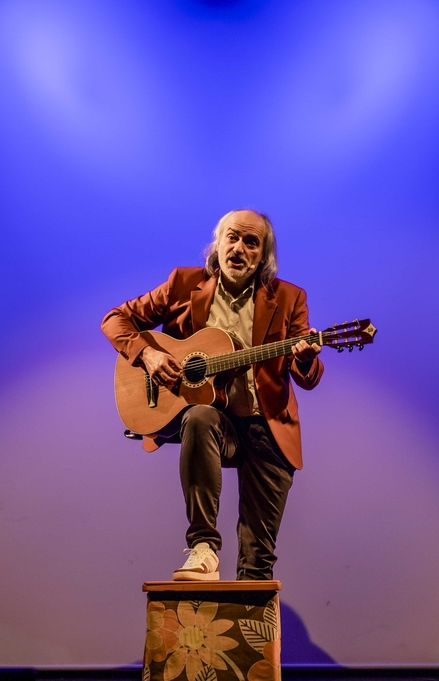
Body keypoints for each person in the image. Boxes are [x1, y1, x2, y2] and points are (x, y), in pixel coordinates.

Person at [101, 210, 324, 581]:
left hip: (266, 427)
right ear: (217, 244)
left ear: (263, 256)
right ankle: (203, 547)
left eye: (251, 242)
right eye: (232, 237)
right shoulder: (182, 284)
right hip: (214, 421)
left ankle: (251, 633)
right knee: (200, 415)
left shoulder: (288, 298)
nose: (239, 248)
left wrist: (303, 361)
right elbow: (114, 319)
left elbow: (309, 378)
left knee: (258, 563)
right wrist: (149, 353)